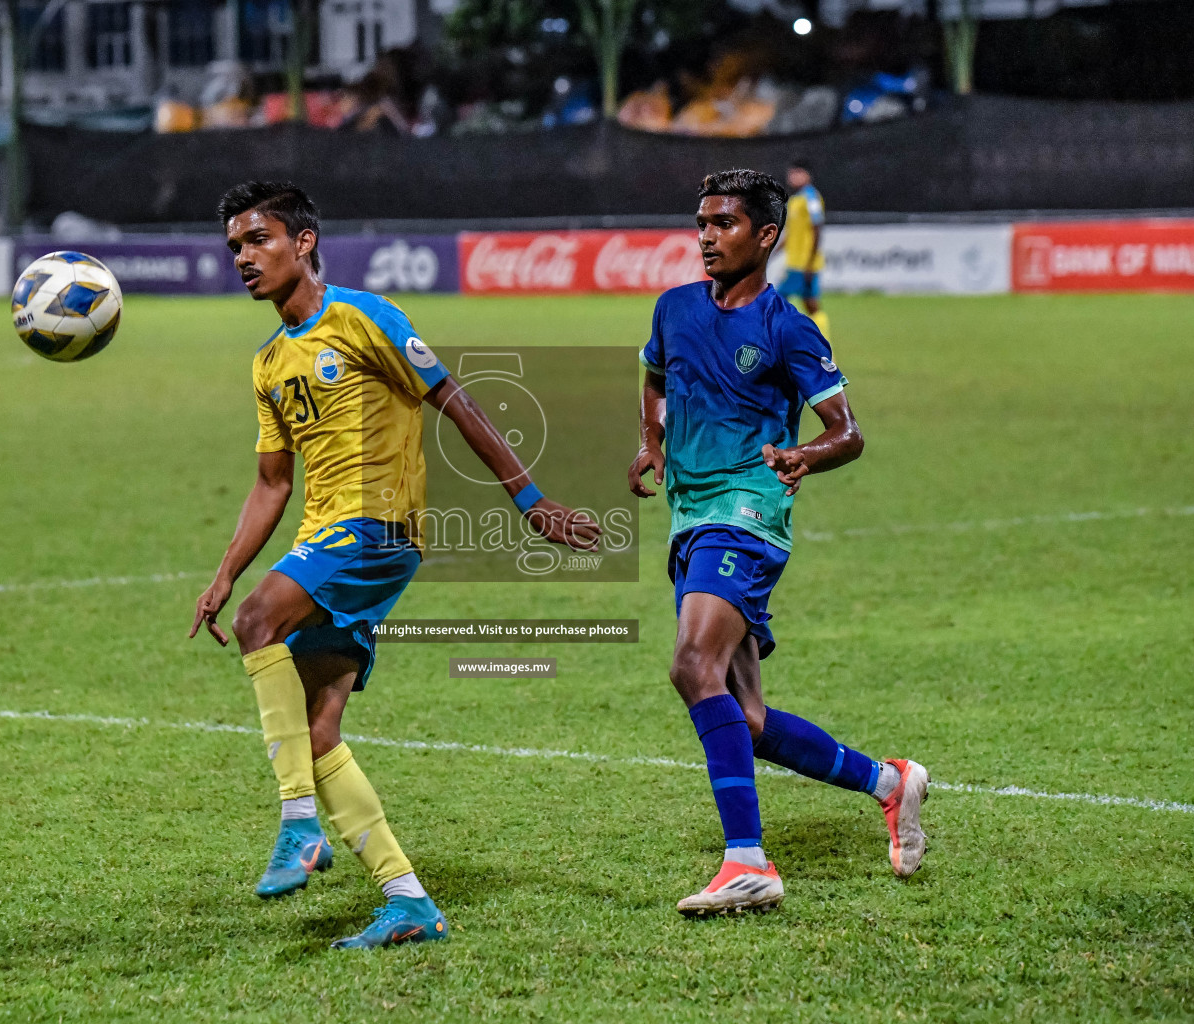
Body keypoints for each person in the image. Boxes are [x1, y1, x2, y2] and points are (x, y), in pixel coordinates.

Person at [190, 181, 601, 948]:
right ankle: (408, 900)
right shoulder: (268, 362)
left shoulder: (365, 317)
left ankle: (296, 824)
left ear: (304, 241)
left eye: (259, 240)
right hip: (327, 533)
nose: (243, 258)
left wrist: (531, 501)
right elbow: (273, 483)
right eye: (235, 246)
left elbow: (458, 402)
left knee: (258, 623)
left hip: (377, 528)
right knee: (317, 730)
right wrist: (222, 574)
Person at [629, 169, 927, 917]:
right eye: (701, 222)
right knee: (747, 720)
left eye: (724, 224)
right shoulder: (672, 309)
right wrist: (652, 442)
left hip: (749, 512)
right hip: (692, 514)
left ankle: (746, 863)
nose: (705, 236)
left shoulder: (790, 329)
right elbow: (656, 376)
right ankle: (891, 784)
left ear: (766, 236)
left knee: (692, 665)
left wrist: (805, 456)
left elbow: (848, 432)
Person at [777, 159, 831, 339]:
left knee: (776, 302)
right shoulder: (795, 200)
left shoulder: (811, 197)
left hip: (803, 264)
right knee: (810, 304)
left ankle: (780, 343)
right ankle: (822, 345)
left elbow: (817, 229)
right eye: (791, 173)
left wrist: (810, 263)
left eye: (797, 173)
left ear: (807, 175)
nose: (792, 177)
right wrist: (771, 251)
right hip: (795, 262)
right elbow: (791, 233)